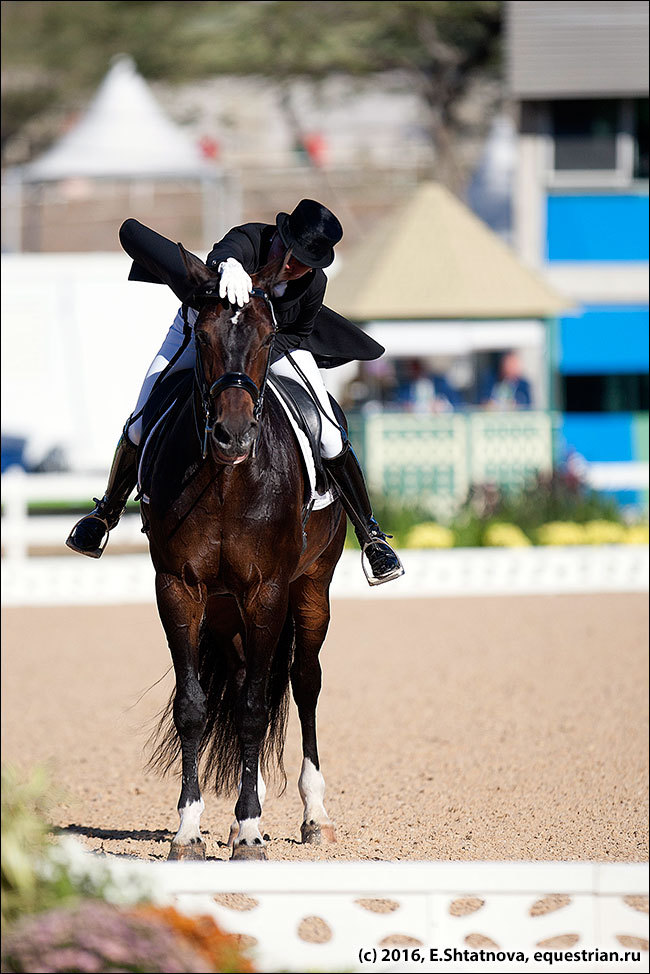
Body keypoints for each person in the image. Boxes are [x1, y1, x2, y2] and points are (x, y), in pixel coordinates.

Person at [66, 199, 404, 585]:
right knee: (142, 421)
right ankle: (105, 513)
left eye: (309, 263)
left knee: (328, 432)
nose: (298, 269)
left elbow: (299, 331)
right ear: (281, 238)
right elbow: (223, 250)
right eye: (295, 257)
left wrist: (253, 347)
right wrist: (228, 265)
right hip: (201, 334)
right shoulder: (250, 240)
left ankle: (371, 535)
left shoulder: (314, 281)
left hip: (273, 346)